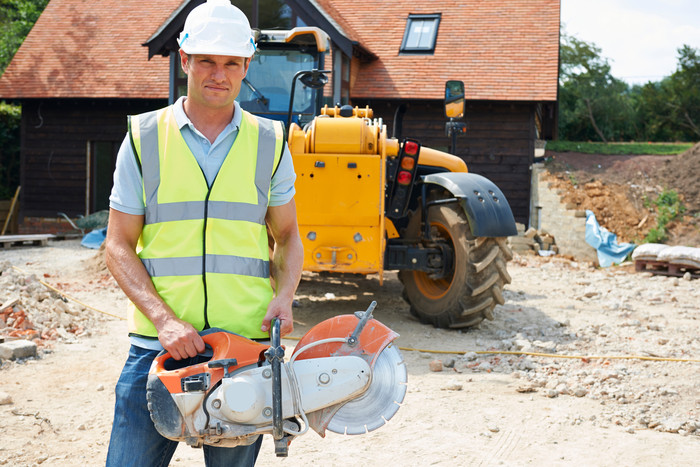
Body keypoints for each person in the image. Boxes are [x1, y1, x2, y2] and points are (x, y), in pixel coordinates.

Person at [104, 1, 303, 465]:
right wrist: (164, 320)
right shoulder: (144, 138)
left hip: (243, 348)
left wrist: (287, 294)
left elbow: (289, 235)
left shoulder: (271, 142)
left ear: (246, 65)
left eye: (231, 62)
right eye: (208, 60)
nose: (219, 73)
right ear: (185, 59)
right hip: (158, 346)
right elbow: (117, 244)